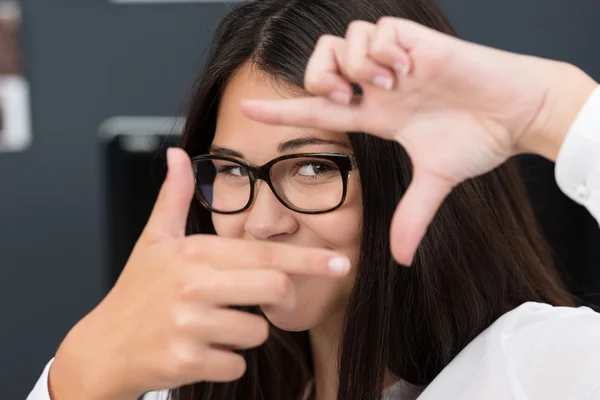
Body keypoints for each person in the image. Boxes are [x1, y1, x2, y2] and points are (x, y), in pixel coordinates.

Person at [27, 0, 600, 400]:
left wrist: (554, 111)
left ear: (401, 170)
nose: (261, 222)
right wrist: (75, 381)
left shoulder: (537, 368)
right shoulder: (179, 388)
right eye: (230, 169)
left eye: (313, 166)